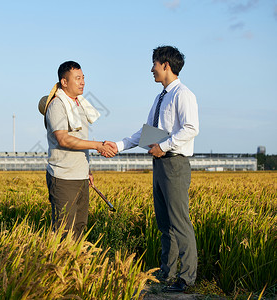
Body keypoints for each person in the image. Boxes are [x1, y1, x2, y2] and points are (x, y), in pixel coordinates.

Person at [106, 46, 199, 292]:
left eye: (154, 64)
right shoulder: (161, 97)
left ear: (165, 65)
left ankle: (187, 278)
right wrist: (117, 146)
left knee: (179, 221)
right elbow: (145, 133)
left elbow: (191, 128)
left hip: (174, 163)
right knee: (164, 223)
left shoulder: (183, 94)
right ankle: (166, 275)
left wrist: (164, 146)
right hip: (159, 163)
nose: (152, 69)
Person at [38, 60, 116, 240]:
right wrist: (97, 145)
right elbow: (63, 139)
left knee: (80, 228)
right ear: (64, 82)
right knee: (65, 232)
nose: (82, 82)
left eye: (83, 78)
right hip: (64, 178)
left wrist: (86, 170)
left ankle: (77, 266)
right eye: (78, 78)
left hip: (80, 176)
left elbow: (80, 140)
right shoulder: (57, 105)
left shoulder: (79, 104)